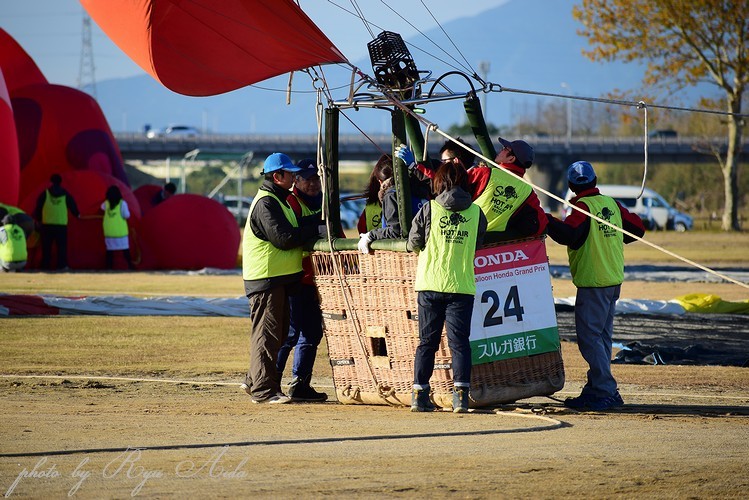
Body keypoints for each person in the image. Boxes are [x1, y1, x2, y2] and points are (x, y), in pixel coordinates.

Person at [545, 161, 645, 411]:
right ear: (595, 180)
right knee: (601, 338)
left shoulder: (582, 207)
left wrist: (545, 220)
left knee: (589, 338)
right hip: (612, 281)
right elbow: (637, 229)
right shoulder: (610, 204)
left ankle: (605, 390)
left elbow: (570, 235)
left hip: (594, 283)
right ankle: (596, 388)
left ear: (570, 186)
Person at [240, 153, 325, 404]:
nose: (293, 177)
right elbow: (284, 238)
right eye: (290, 173)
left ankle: (257, 382)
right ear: (278, 176)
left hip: (277, 279)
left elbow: (293, 227)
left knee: (274, 335)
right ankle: (263, 391)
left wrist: (319, 221)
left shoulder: (280, 200)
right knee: (267, 336)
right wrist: (314, 229)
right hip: (266, 279)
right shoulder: (266, 203)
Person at [407, 160, 487, 413]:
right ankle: (461, 397)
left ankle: (420, 395)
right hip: (462, 286)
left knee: (426, 343)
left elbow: (413, 243)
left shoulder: (428, 209)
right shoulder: (476, 213)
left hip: (430, 284)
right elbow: (477, 244)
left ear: (439, 182)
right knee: (460, 343)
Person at [398, 137, 546, 241]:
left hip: (464, 237)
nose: (500, 150)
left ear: (511, 159)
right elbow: (540, 224)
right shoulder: (528, 192)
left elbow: (445, 185)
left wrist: (414, 167)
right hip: (494, 244)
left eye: (505, 149)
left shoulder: (486, 174)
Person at [276, 159, 329, 402]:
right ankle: (270, 381)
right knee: (291, 333)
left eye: (316, 178)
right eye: (308, 178)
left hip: (318, 278)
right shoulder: (292, 202)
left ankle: (300, 384)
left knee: (312, 333)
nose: (313, 183)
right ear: (296, 180)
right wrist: (318, 227)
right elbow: (294, 232)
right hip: (296, 276)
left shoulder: (325, 202)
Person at [357, 154, 431, 253]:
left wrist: (370, 235)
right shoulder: (420, 189)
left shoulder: (391, 195)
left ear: (380, 182)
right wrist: (413, 166)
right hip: (426, 248)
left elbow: (395, 231)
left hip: (405, 253)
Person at [33, 173, 80, 270]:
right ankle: (61, 265)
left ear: (50, 182)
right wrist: (77, 214)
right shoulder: (65, 194)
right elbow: (72, 205)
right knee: (61, 248)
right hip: (61, 225)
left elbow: (38, 207)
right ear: (60, 182)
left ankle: (45, 266)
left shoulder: (45, 193)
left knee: (46, 248)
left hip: (47, 225)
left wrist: (38, 219)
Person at [101, 185, 135, 270]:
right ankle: (130, 267)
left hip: (109, 232)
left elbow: (101, 207)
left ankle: (109, 268)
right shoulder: (122, 203)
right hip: (120, 232)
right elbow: (127, 215)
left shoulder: (106, 203)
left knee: (110, 251)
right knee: (125, 251)